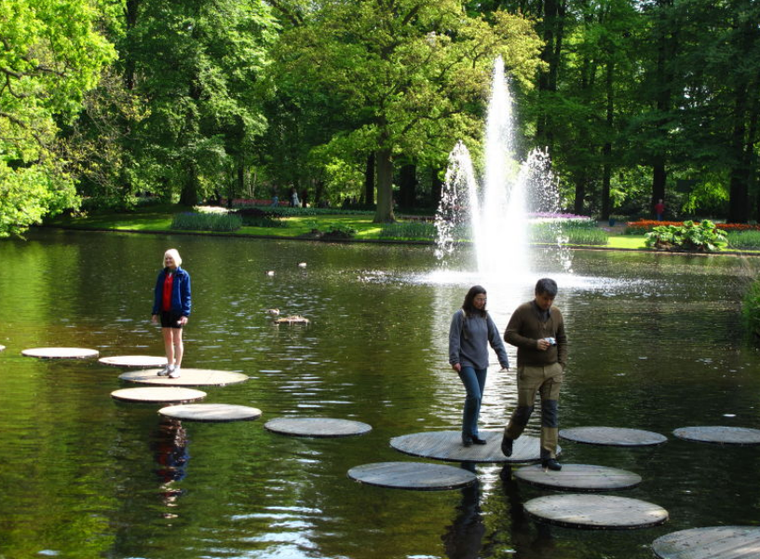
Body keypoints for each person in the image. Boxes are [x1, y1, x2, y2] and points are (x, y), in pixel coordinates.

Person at [501, 278, 567, 471]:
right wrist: (533, 343)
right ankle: (509, 435)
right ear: (536, 294)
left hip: (552, 370)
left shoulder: (556, 313)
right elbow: (509, 335)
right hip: (529, 369)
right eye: (545, 298)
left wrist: (561, 365)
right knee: (525, 410)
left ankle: (548, 455)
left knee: (550, 411)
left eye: (551, 299)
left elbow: (563, 339)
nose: (548, 302)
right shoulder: (523, 311)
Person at [449, 285, 510, 447]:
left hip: (482, 363)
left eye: (484, 299)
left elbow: (495, 338)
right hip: (465, 362)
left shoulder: (485, 317)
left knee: (478, 399)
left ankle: (474, 432)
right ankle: (466, 434)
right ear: (471, 298)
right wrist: (454, 360)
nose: (481, 302)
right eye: (478, 299)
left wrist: (503, 359)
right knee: (474, 395)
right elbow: (454, 339)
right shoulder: (460, 316)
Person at [151, 248, 191, 378]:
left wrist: (185, 314)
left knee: (177, 339)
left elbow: (187, 296)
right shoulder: (162, 274)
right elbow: (158, 294)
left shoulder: (183, 275)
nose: (168, 260)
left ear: (176, 259)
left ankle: (177, 368)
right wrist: (155, 312)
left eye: (170, 258)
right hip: (165, 311)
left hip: (177, 312)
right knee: (167, 340)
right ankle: (170, 366)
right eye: (166, 258)